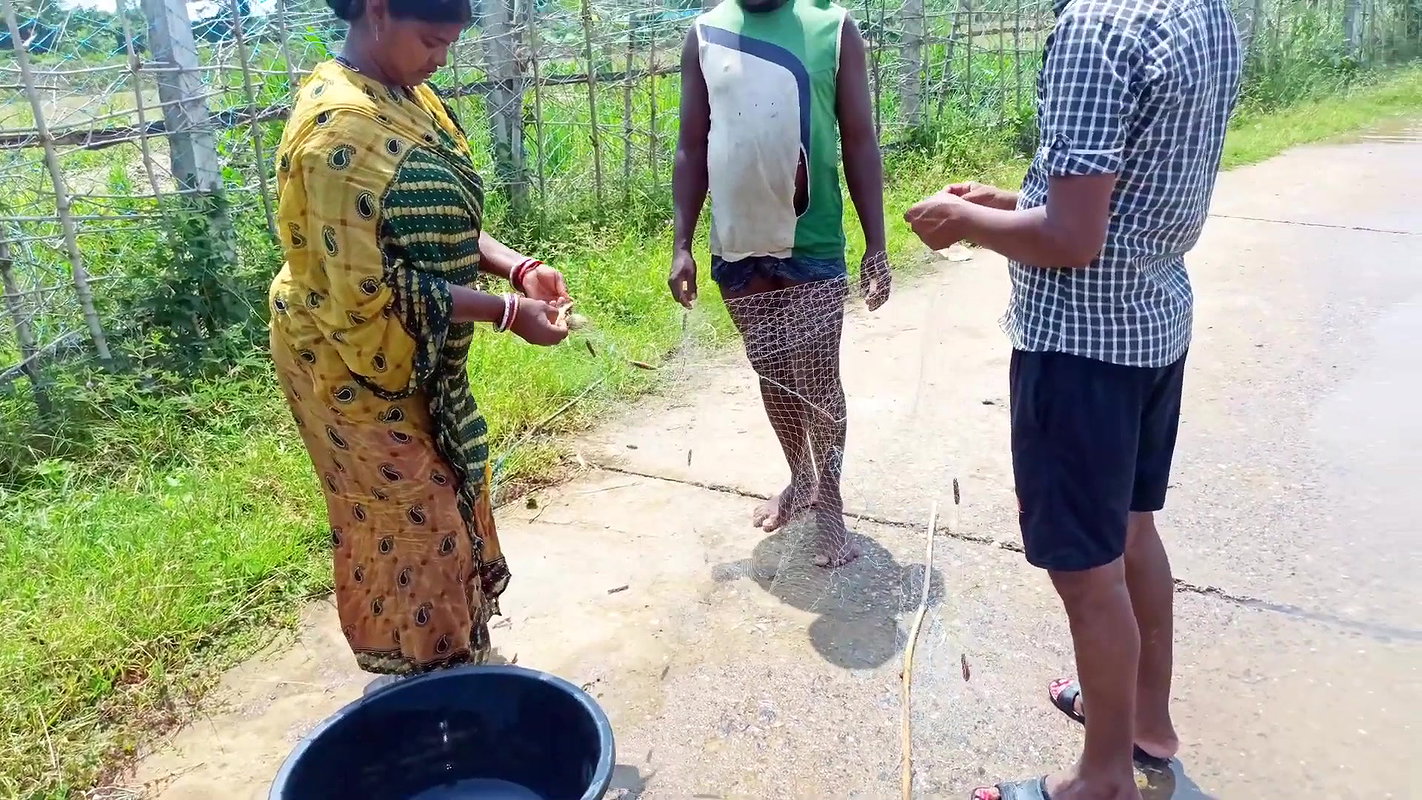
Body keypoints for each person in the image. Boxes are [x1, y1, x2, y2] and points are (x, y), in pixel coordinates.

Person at [904, 0, 1242, 795]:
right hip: (1152, 324)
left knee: (1089, 577)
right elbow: (1120, 191)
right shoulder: (1203, 12)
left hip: (1081, 350)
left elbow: (1072, 240)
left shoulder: (1095, 26)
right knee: (1131, 533)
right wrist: (1009, 203)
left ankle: (1103, 780)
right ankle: (1143, 725)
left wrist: (963, 219)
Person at [267, 0, 571, 679]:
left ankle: (460, 657)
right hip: (345, 362)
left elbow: (449, 215)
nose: (442, 57)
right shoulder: (334, 134)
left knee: (450, 501)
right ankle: (437, 685)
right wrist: (503, 312)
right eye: (432, 38)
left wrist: (517, 266)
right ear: (378, 11)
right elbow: (365, 296)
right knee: (420, 522)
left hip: (413, 357)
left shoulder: (408, 95)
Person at [669, 0, 891, 568]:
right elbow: (692, 147)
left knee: (818, 377)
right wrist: (681, 244)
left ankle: (831, 502)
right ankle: (800, 477)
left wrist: (877, 244)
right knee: (770, 371)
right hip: (738, 242)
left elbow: (860, 139)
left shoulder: (832, 28)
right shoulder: (705, 33)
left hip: (811, 240)